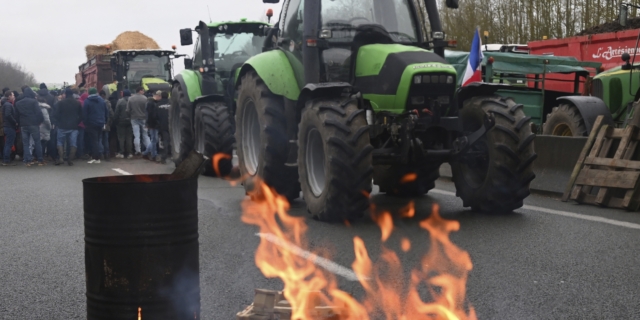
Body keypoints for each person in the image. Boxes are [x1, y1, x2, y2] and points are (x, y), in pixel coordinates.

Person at [15, 88, 44, 166]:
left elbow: (16, 115)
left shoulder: (18, 103)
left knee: (26, 143)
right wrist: (40, 121)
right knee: (37, 142)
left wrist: (19, 122)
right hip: (34, 124)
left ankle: (27, 160)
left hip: (23, 124)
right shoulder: (34, 102)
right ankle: (40, 159)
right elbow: (38, 113)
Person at [53, 88, 82, 166]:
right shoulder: (77, 103)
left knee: (60, 142)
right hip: (73, 126)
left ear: (65, 94)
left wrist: (58, 122)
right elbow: (81, 115)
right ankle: (70, 160)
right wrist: (77, 122)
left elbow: (55, 115)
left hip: (62, 126)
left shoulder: (60, 103)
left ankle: (61, 158)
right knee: (73, 143)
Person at [82, 88, 108, 164]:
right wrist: (105, 121)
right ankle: (98, 156)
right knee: (98, 139)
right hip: (100, 123)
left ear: (89, 93)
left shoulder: (87, 101)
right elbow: (106, 112)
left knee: (94, 141)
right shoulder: (102, 101)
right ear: (96, 92)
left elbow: (85, 113)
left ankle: (96, 157)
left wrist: (85, 123)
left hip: (91, 123)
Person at [127, 87, 151, 157]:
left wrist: (130, 116)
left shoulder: (131, 98)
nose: (143, 92)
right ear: (140, 91)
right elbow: (147, 109)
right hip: (144, 119)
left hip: (134, 118)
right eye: (143, 91)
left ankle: (138, 150)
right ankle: (149, 149)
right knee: (145, 135)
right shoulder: (145, 99)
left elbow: (128, 110)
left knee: (136, 135)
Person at [114, 90, 133, 159]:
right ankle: (129, 153)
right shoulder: (132, 101)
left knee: (121, 138)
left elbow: (116, 112)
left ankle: (121, 152)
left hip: (121, 121)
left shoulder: (120, 101)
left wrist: (115, 120)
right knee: (129, 137)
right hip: (130, 121)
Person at [2, 91, 18, 166]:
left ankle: (6, 158)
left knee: (7, 143)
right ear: (9, 96)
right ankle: (6, 159)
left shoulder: (5, 104)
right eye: (12, 95)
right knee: (9, 143)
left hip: (6, 126)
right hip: (9, 126)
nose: (14, 96)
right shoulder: (8, 105)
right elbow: (8, 115)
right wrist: (15, 122)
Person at [145, 91, 162, 161]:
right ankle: (153, 154)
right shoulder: (152, 103)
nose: (160, 98)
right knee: (154, 139)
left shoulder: (151, 103)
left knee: (154, 139)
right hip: (153, 124)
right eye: (160, 96)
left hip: (152, 124)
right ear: (157, 96)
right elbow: (150, 115)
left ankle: (146, 152)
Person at [155, 91, 171, 164]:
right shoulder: (172, 104)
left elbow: (154, 116)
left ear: (161, 96)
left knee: (165, 140)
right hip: (172, 125)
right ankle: (172, 154)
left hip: (162, 125)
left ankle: (164, 156)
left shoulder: (158, 105)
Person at [98, 90, 114, 161]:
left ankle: (101, 153)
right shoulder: (107, 103)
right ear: (104, 95)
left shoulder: (98, 102)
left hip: (99, 122)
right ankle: (107, 154)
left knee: (100, 138)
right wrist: (109, 122)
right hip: (106, 123)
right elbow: (111, 114)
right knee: (106, 139)